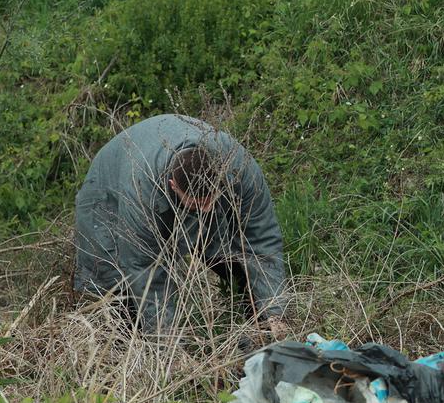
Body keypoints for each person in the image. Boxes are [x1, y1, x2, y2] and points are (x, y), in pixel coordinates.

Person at [74, 114, 289, 333]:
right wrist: (167, 343)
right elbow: (145, 270)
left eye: (209, 202)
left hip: (171, 165)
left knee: (233, 253)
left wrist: (275, 311)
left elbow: (261, 239)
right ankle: (133, 349)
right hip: (107, 192)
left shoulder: (239, 167)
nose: (205, 210)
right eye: (196, 205)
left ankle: (259, 328)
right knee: (118, 291)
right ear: (173, 185)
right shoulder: (139, 192)